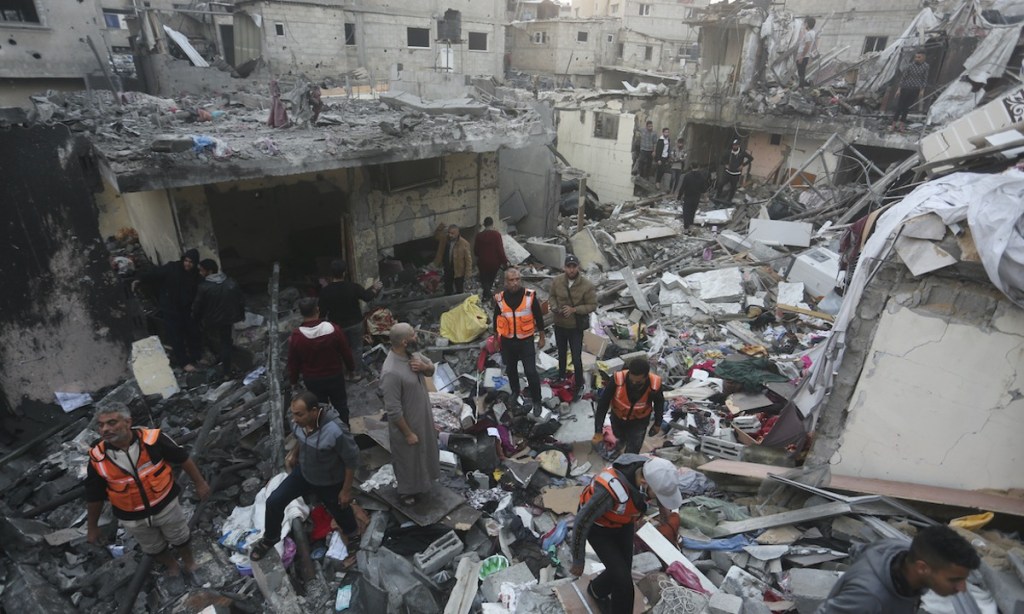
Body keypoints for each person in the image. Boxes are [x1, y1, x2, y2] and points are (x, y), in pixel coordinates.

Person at [85, 404, 210, 583]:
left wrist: (200, 483)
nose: (105, 429)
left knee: (180, 537)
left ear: (128, 422)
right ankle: (172, 566)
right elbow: (93, 494)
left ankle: (190, 563)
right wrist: (92, 527)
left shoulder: (153, 440)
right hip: (132, 517)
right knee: (153, 548)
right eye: (101, 425)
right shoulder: (98, 458)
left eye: (112, 423)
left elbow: (182, 458)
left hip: (165, 506)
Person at [248, 391, 360, 561]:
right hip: (305, 472)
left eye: (299, 414)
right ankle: (270, 538)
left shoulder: (335, 430)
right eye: (293, 414)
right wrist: (294, 453)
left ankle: (353, 536)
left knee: (340, 509)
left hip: (329, 480)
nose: (294, 419)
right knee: (274, 501)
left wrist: (346, 490)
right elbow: (302, 438)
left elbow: (352, 460)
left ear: (314, 411)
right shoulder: (300, 423)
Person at [570, 455, 682, 612]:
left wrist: (665, 515)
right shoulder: (608, 492)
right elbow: (582, 522)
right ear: (644, 483)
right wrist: (578, 559)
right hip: (599, 529)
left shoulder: (652, 469)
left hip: (624, 523)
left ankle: (596, 590)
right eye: (657, 495)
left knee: (622, 569)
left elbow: (660, 494)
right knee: (624, 583)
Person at [817, 525, 980, 613]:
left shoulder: (897, 549)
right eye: (954, 580)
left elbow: (859, 551)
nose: (962, 588)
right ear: (922, 568)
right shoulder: (868, 598)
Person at [380, 323, 441, 506]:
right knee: (408, 459)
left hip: (423, 417)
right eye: (414, 335)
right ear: (405, 341)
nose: (417, 337)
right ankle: (406, 492)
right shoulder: (391, 371)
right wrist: (407, 433)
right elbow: (393, 409)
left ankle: (424, 484)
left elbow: (431, 369)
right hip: (407, 424)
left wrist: (423, 367)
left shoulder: (412, 355)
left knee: (425, 453)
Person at [287, 297, 356, 424]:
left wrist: (293, 381)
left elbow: (293, 363)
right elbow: (346, 351)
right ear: (317, 310)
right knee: (341, 405)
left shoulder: (297, 337)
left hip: (313, 380)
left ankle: (325, 434)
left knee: (319, 410)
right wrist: (351, 369)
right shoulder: (333, 329)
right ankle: (345, 431)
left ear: (301, 314)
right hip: (334, 375)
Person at [135, 248, 201, 371]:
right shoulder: (173, 268)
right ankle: (184, 362)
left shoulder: (195, 275)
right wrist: (140, 278)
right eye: (186, 260)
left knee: (192, 332)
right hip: (170, 308)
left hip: (186, 309)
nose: (187, 264)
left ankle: (196, 356)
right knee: (175, 335)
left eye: (191, 262)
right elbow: (155, 273)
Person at [318, 259, 382, 379]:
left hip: (337, 326)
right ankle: (355, 373)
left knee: (341, 350)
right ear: (344, 273)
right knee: (356, 349)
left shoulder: (326, 292)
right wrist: (374, 288)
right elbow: (367, 297)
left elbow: (322, 312)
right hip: (355, 324)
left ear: (331, 274)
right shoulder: (353, 287)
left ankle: (344, 374)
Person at [493, 267, 546, 413]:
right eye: (511, 280)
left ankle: (537, 401)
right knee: (511, 370)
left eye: (517, 279)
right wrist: (496, 338)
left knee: (531, 372)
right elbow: (496, 319)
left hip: (526, 341)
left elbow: (539, 317)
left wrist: (542, 336)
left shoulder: (529, 296)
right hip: (508, 341)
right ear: (506, 282)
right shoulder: (500, 299)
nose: (515, 283)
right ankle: (515, 392)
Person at [593, 357, 665, 455]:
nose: (634, 384)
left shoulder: (655, 384)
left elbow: (659, 403)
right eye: (632, 381)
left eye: (638, 382)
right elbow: (603, 404)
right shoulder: (617, 379)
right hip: (617, 417)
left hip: (639, 421)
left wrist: (657, 424)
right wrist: (598, 431)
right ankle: (620, 445)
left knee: (632, 452)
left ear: (646, 377)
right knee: (618, 439)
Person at [548, 254, 596, 398]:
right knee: (561, 353)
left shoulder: (586, 285)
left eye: (573, 267)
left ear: (578, 267)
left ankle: (579, 383)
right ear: (564, 267)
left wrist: (574, 310)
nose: (571, 270)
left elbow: (592, 305)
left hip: (575, 327)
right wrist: (555, 307)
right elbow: (551, 296)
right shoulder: (557, 281)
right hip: (559, 324)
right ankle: (561, 377)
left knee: (576, 357)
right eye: (568, 267)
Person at [191, 259, 244, 375]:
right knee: (226, 342)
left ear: (209, 271)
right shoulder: (230, 283)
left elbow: (197, 306)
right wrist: (241, 315)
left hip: (211, 321)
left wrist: (195, 318)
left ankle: (224, 369)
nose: (200, 273)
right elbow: (240, 300)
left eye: (202, 270)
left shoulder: (204, 287)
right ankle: (227, 367)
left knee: (216, 343)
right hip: (228, 319)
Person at [891, 51, 930, 132]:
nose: (916, 59)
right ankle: (893, 125)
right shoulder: (910, 66)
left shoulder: (926, 66)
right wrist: (899, 89)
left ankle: (901, 126)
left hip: (915, 89)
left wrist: (922, 91)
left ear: (923, 57)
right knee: (899, 107)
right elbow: (903, 78)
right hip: (905, 88)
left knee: (906, 108)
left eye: (919, 57)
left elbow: (924, 79)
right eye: (916, 57)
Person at [473, 217, 509, 298]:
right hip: (494, 263)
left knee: (484, 280)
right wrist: (505, 261)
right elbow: (500, 250)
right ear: (492, 224)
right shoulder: (496, 235)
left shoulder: (479, 236)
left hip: (482, 263)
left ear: (484, 225)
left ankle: (486, 296)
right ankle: (488, 296)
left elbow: (476, 251)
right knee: (490, 280)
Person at [433, 224, 473, 295]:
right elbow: (436, 236)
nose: (450, 235)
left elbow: (468, 260)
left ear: (457, 233)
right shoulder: (445, 239)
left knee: (459, 289)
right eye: (449, 233)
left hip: (459, 270)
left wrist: (468, 273)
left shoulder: (464, 244)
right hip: (448, 268)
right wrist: (440, 228)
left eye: (452, 233)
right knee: (448, 288)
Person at [795, 17, 818, 88]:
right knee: (802, 73)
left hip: (803, 56)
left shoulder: (809, 34)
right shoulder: (813, 33)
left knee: (801, 73)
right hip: (805, 56)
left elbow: (807, 46)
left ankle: (800, 88)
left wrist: (801, 56)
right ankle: (803, 86)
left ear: (807, 24)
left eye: (805, 23)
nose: (804, 25)